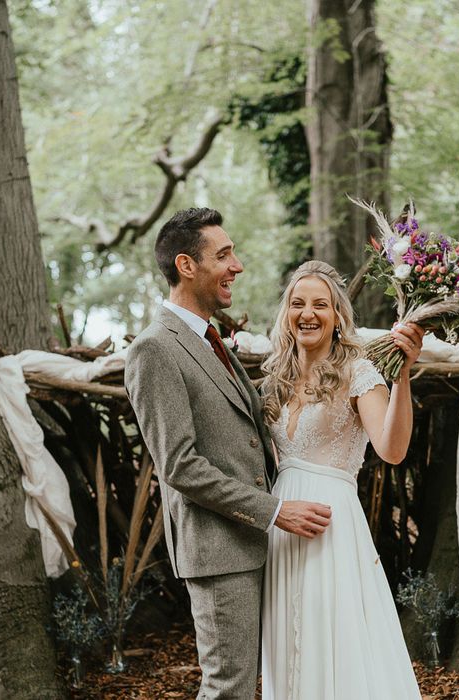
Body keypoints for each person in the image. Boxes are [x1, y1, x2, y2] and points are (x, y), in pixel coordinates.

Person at [125, 208, 332, 700]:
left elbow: (250, 422)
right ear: (186, 265)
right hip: (220, 551)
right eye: (223, 255)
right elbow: (179, 465)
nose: (236, 265)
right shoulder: (155, 349)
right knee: (229, 689)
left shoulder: (211, 338)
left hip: (261, 546)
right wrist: (275, 510)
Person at [260, 260, 423, 700]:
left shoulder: (358, 372)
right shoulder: (274, 379)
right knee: (287, 645)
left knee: (333, 636)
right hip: (282, 525)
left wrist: (403, 373)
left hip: (331, 525)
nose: (307, 313)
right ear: (286, 315)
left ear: (337, 317)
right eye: (297, 304)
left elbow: (392, 449)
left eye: (320, 304)